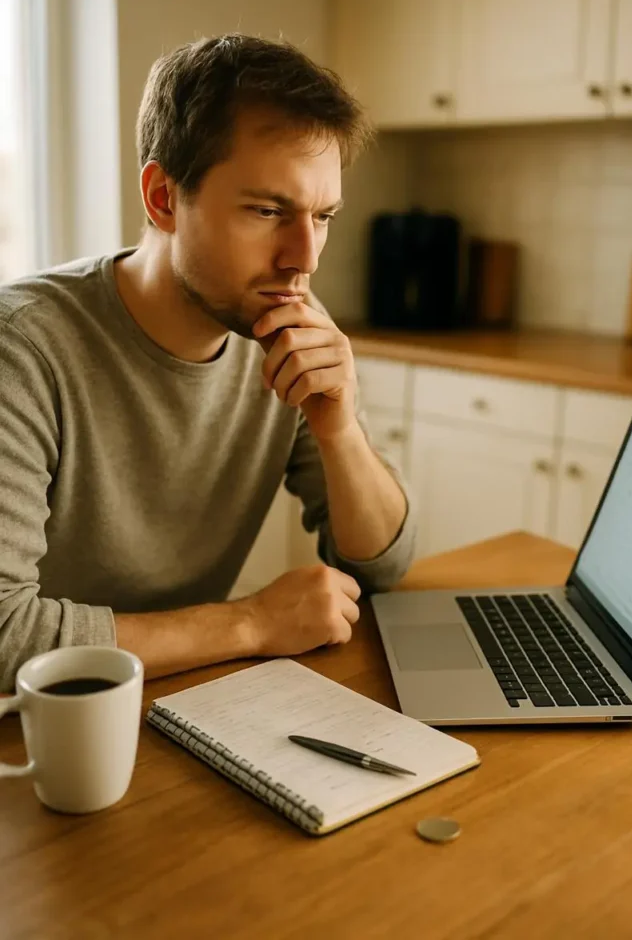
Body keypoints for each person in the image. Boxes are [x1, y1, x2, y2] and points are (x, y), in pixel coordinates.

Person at [0, 34, 416, 691]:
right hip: (34, 733)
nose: (304, 258)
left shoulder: (284, 331)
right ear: (163, 198)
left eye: (323, 215)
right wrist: (249, 624)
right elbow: (4, 637)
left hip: (174, 697)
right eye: (268, 210)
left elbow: (384, 567)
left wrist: (340, 432)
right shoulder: (21, 350)